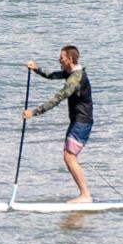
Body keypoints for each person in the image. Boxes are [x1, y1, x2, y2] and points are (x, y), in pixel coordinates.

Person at [23, 44, 95, 201]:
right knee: (68, 156)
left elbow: (58, 98)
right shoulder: (71, 72)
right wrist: (36, 69)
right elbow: (52, 75)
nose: (59, 60)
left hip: (82, 122)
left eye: (61, 58)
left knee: (69, 156)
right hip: (78, 121)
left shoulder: (76, 78)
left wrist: (34, 112)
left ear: (70, 59)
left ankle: (85, 195)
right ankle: (85, 194)